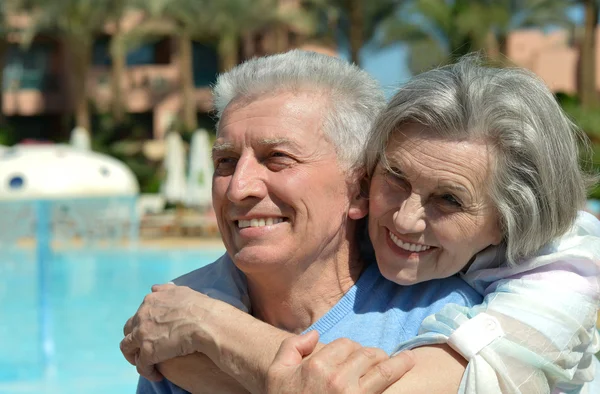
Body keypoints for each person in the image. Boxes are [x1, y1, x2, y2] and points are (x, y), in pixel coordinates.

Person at [122, 52, 600, 393]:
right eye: (225, 161)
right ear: (369, 186)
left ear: (354, 187)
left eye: (278, 158)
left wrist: (211, 330)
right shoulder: (175, 318)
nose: (239, 185)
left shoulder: (462, 314)